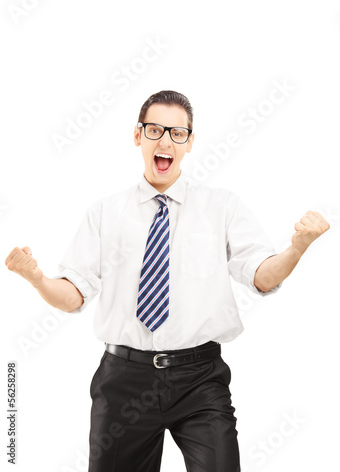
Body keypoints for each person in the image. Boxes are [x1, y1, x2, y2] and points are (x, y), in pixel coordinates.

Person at [4, 90, 330, 472]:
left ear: (190, 142)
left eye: (177, 133)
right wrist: (37, 278)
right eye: (155, 129)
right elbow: (73, 295)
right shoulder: (106, 213)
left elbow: (260, 275)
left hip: (201, 379)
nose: (165, 141)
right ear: (138, 135)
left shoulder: (221, 207)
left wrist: (297, 249)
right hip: (123, 381)